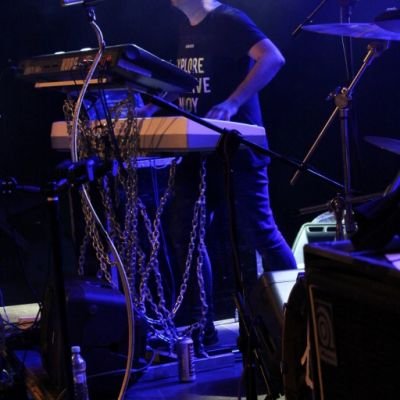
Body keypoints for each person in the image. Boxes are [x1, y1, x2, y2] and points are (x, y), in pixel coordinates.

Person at [141, 0, 297, 354]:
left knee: (261, 233)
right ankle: (203, 327)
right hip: (199, 151)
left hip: (237, 148)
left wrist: (232, 102)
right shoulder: (187, 27)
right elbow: (187, 81)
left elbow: (272, 57)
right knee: (187, 234)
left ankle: (295, 312)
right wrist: (153, 106)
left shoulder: (228, 19)